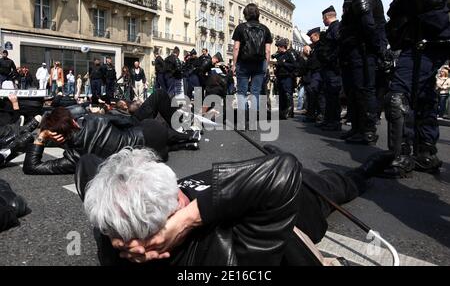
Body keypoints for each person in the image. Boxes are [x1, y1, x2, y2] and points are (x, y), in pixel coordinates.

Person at [76, 147, 395, 266]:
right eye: (178, 199)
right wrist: (188, 220)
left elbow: (88, 165)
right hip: (299, 199)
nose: (181, 193)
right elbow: (284, 171)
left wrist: (113, 236)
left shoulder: (115, 238)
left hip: (247, 175)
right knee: (338, 183)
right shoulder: (223, 255)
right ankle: (369, 170)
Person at [383, 0, 450, 178]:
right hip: (424, 47)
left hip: (421, 47)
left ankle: (400, 157)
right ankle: (425, 153)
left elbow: (436, 20)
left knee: (398, 96)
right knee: (424, 98)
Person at [22, 106, 172, 175]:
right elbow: (127, 121)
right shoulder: (95, 119)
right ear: (73, 122)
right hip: (151, 135)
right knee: (147, 126)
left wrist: (41, 136)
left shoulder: (74, 157)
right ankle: (187, 138)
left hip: (151, 157)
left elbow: (31, 167)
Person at [338, 0, 388, 145]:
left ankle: (367, 131)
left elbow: (368, 26)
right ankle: (358, 128)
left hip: (364, 52)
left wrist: (377, 51)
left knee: (364, 90)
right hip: (360, 52)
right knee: (356, 91)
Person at [232, 3, 273, 114]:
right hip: (259, 64)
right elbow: (268, 51)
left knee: (242, 91)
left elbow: (236, 48)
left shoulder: (240, 28)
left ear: (245, 14)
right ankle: (254, 117)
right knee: (256, 91)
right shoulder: (265, 29)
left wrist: (234, 65)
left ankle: (243, 116)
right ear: (257, 14)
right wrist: (266, 64)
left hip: (243, 63)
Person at [319, 6, 343, 131]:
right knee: (328, 95)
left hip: (333, 68)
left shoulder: (336, 28)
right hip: (328, 67)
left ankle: (334, 121)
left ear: (327, 17)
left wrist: (331, 58)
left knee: (333, 95)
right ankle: (328, 120)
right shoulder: (331, 29)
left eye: (323, 18)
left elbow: (340, 46)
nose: (323, 21)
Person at [303, 28, 326, 124]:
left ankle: (321, 114)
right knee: (314, 93)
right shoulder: (314, 46)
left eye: (311, 37)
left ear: (317, 35)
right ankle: (314, 114)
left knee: (318, 93)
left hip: (319, 71)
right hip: (314, 72)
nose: (310, 39)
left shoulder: (321, 45)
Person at [273, 38, 298, 120]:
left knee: (287, 94)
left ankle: (289, 111)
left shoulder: (289, 53)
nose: (278, 49)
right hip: (280, 77)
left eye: (279, 47)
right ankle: (282, 111)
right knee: (281, 95)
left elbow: (294, 65)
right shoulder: (279, 55)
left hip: (287, 77)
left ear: (283, 46)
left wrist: (284, 63)